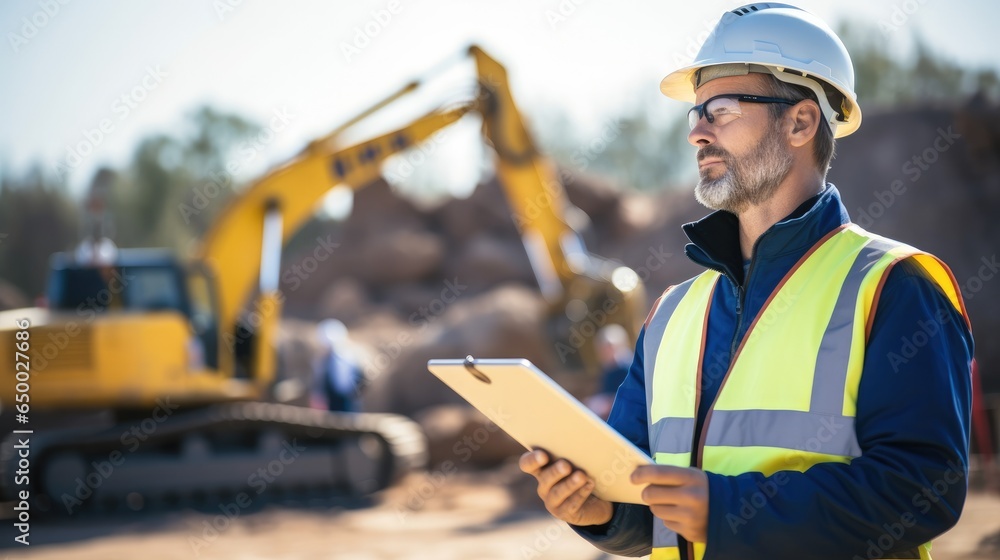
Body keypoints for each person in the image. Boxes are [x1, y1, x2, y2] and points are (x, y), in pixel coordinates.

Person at [519, 4, 974, 559]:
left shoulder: (893, 285)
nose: (698, 133)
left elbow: (923, 490)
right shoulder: (672, 313)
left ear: (801, 122)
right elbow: (649, 502)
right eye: (696, 115)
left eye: (722, 109)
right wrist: (605, 512)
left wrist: (727, 510)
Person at [585, 324, 634, 419]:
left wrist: (606, 404)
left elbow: (631, 398)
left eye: (608, 348)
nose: (605, 353)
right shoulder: (608, 371)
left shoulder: (629, 369)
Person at [313, 319, 362, 412]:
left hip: (345, 405)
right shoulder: (325, 362)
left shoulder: (346, 359)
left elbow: (343, 386)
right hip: (334, 406)